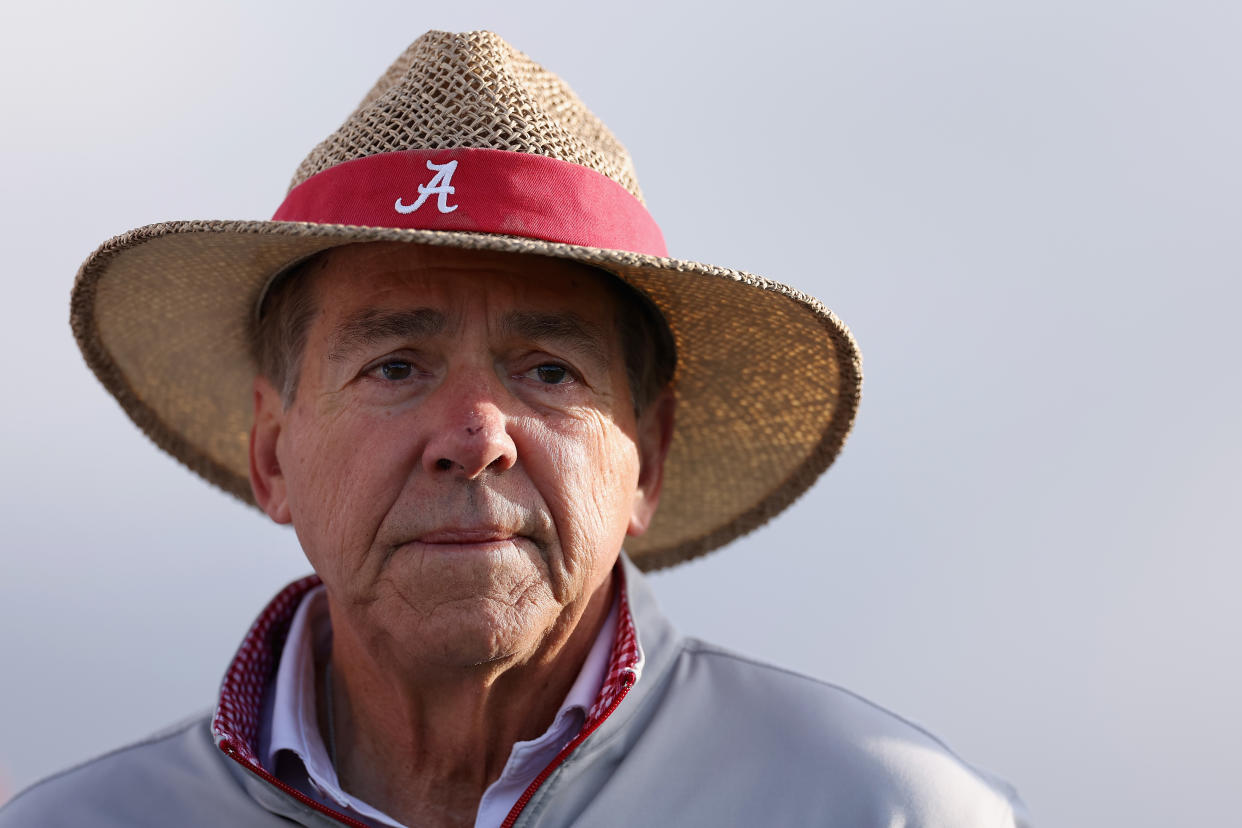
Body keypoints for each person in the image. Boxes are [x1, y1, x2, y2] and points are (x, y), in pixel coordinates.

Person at [1, 30, 1029, 828]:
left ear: (648, 459)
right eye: (394, 365)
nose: (475, 435)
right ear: (272, 453)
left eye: (548, 370)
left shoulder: (879, 812)